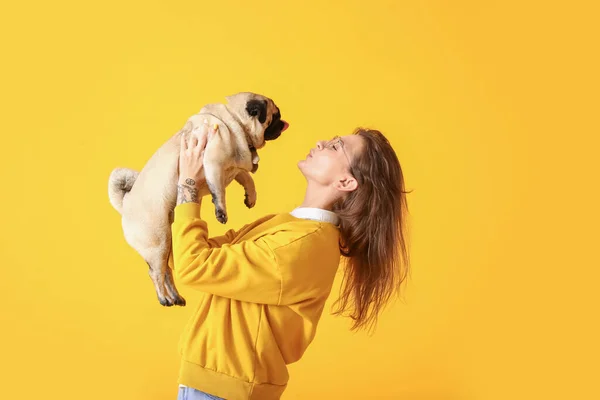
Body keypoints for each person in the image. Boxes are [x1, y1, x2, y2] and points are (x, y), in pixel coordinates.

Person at [172, 121, 410, 400]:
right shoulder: (291, 228)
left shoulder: (301, 245)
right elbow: (187, 253)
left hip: (224, 391)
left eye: (336, 147)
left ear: (346, 182)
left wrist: (188, 182)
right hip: (219, 387)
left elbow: (192, 265)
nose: (322, 143)